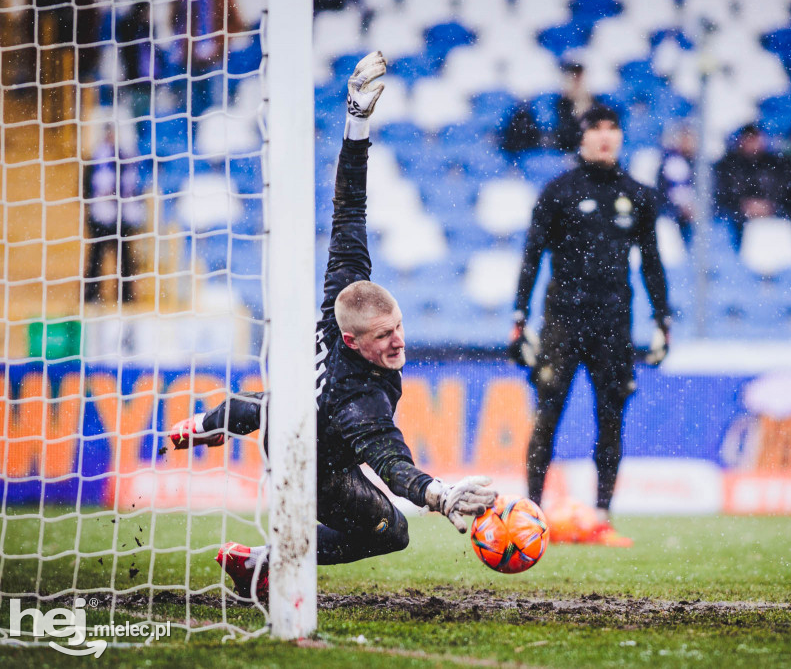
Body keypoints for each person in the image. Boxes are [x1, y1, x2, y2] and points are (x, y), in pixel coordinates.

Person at [169, 52, 497, 599]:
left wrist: (357, 123)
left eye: (397, 327)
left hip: (290, 416)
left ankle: (219, 419)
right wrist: (438, 493)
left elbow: (349, 209)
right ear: (351, 341)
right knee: (391, 532)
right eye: (384, 337)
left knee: (267, 410)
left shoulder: (341, 296)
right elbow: (391, 462)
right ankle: (266, 560)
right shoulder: (359, 396)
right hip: (317, 462)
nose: (398, 341)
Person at [510, 105, 671, 548]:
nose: (605, 136)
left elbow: (651, 262)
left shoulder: (636, 195)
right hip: (562, 320)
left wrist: (663, 319)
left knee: (611, 418)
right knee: (548, 416)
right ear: (581, 138)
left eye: (612, 128)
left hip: (614, 323)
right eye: (595, 129)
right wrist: (519, 318)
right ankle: (532, 516)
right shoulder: (559, 191)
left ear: (620, 137)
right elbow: (532, 256)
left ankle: (601, 517)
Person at [83, 126, 147, 304]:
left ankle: (125, 296)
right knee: (96, 256)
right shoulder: (95, 159)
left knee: (125, 258)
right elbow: (85, 189)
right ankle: (91, 295)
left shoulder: (128, 158)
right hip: (101, 215)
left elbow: (136, 187)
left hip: (123, 216)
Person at [713, 123, 784, 247]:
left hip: (771, 213)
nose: (752, 143)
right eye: (748, 139)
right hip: (736, 214)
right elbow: (721, 192)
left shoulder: (774, 163)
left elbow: (783, 190)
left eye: (755, 139)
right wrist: (743, 206)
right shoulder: (727, 164)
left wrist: (769, 206)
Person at [656, 121, 698, 243]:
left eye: (690, 138)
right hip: (673, 216)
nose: (687, 142)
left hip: (701, 214)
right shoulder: (669, 163)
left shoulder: (705, 165)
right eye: (684, 138)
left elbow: (716, 192)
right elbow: (662, 195)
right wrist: (679, 208)